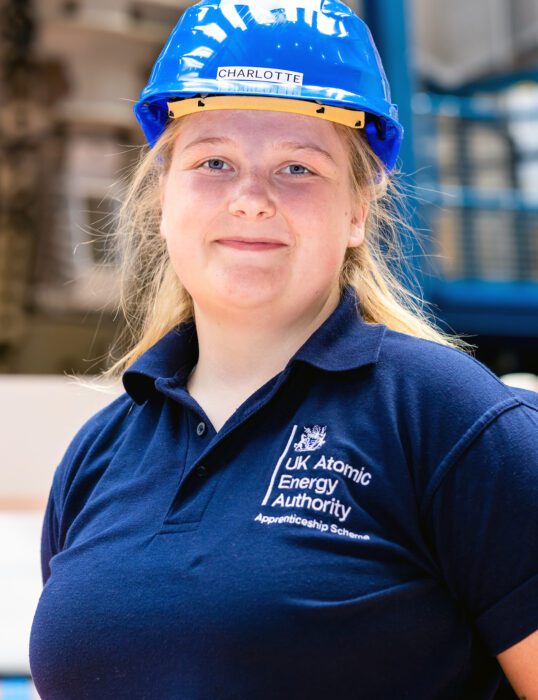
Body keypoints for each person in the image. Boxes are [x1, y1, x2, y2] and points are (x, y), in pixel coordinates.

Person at [29, 1, 538, 698]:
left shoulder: (449, 422)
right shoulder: (100, 456)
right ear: (162, 197)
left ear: (359, 210)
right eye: (213, 161)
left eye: (298, 168)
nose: (250, 199)